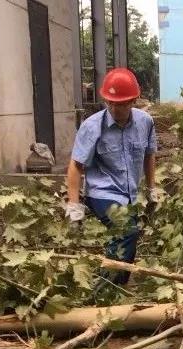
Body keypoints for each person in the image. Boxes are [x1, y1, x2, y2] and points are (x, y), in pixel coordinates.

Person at [65, 68, 160, 287]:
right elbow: (75, 165)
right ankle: (101, 291)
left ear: (133, 101)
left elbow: (149, 155)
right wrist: (74, 204)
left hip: (129, 195)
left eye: (122, 103)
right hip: (102, 192)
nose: (116, 108)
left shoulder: (145, 122)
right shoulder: (92, 126)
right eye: (112, 103)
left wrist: (151, 188)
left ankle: (119, 287)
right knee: (127, 229)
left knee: (128, 238)